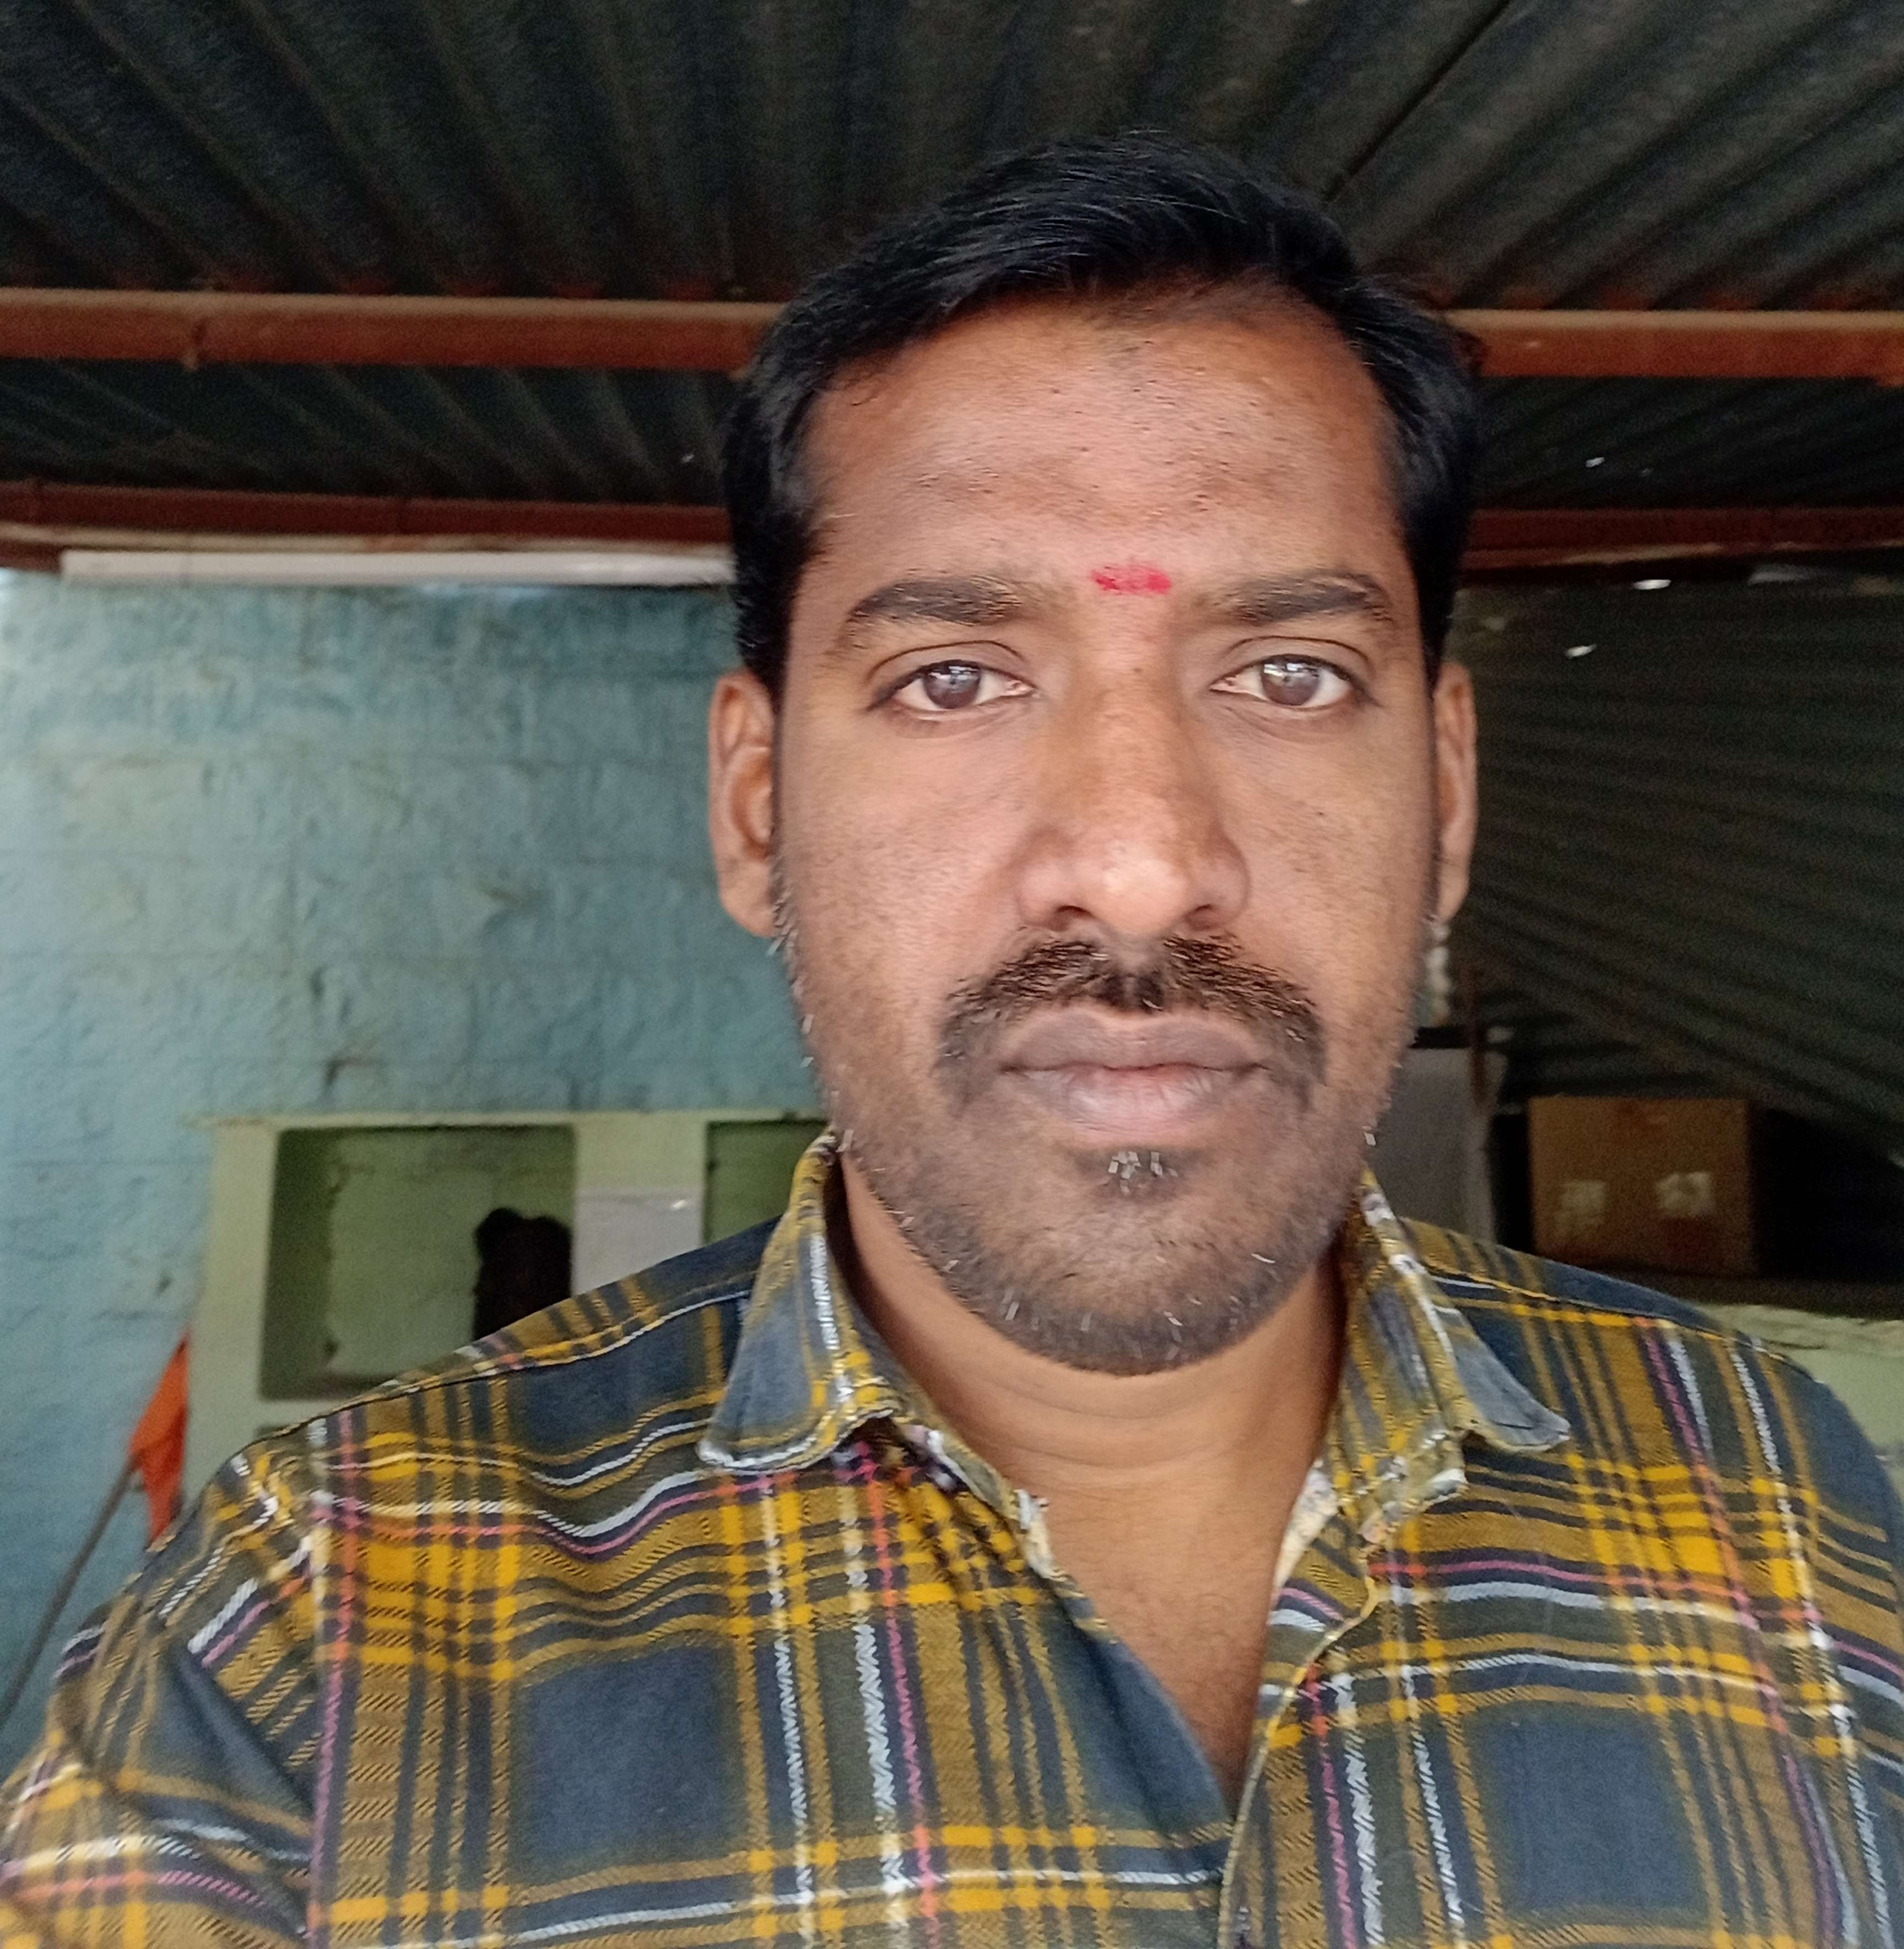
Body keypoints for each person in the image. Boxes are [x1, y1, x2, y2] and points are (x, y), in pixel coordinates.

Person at [4, 137, 1902, 1947]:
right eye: (955, 677)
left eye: (1289, 673)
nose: (1143, 866)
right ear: (757, 808)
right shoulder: (305, 1648)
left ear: (1450, 796)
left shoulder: (1784, 1512)